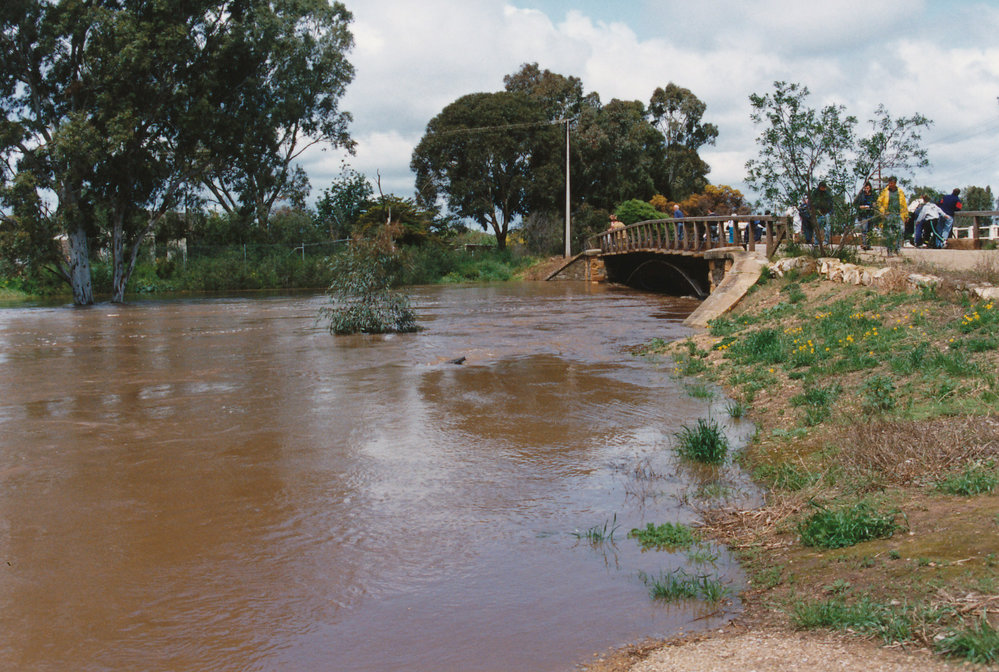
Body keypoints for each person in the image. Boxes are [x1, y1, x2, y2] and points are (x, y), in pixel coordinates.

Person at [876, 176, 907, 254]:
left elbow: (904, 203)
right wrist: (883, 211)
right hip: (888, 215)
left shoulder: (900, 191)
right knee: (889, 233)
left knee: (901, 230)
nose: (890, 184)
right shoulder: (885, 191)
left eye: (892, 183)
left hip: (898, 214)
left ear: (895, 183)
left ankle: (897, 248)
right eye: (889, 183)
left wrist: (906, 214)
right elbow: (879, 202)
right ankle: (889, 249)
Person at [854, 181, 876, 249]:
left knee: (870, 230)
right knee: (864, 229)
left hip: (870, 213)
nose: (867, 189)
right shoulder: (861, 195)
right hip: (863, 214)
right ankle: (864, 244)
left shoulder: (873, 195)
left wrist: (874, 205)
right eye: (865, 188)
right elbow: (855, 204)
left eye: (868, 188)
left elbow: (876, 202)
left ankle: (868, 245)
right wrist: (861, 207)